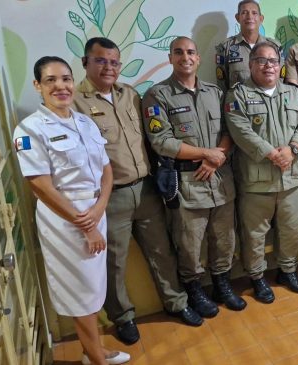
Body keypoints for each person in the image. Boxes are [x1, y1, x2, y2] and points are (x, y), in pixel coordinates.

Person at [72, 37, 202, 345]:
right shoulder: (75, 105)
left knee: (162, 251)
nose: (109, 67)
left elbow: (152, 139)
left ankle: (176, 302)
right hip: (110, 196)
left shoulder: (130, 95)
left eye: (114, 62)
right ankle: (124, 317)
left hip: (145, 189)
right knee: (115, 262)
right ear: (85, 62)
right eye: (101, 60)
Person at [13, 56, 129, 364]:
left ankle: (93, 350)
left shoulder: (83, 121)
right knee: (80, 290)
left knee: (92, 286)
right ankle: (96, 357)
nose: (61, 86)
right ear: (38, 86)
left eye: (65, 78)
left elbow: (106, 171)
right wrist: (86, 226)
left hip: (94, 210)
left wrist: (100, 207)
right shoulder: (30, 129)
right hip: (65, 222)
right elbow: (40, 185)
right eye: (50, 80)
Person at [142, 37, 246, 316]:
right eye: (179, 52)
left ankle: (222, 285)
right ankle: (194, 290)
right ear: (170, 58)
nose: (185, 57)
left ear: (198, 58)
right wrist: (206, 153)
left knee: (224, 240)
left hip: (221, 180)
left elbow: (230, 130)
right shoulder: (158, 95)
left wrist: (216, 157)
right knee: (189, 245)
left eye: (190, 52)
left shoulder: (215, 92)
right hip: (188, 186)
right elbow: (161, 141)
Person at [225, 42, 298, 302]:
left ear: (280, 64)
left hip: (291, 177)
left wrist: (293, 148)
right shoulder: (238, 94)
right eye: (262, 61)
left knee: (291, 230)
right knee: (254, 234)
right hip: (256, 180)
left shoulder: (293, 93)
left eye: (273, 60)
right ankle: (257, 277)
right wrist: (271, 152)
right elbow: (240, 129)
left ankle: (287, 270)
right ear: (251, 64)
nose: (268, 65)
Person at [214, 0, 283, 93]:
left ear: (261, 18)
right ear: (237, 18)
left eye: (254, 13)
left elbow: (281, 81)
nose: (249, 16)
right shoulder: (225, 48)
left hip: (270, 104)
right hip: (240, 104)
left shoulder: (274, 47)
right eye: (244, 13)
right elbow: (222, 86)